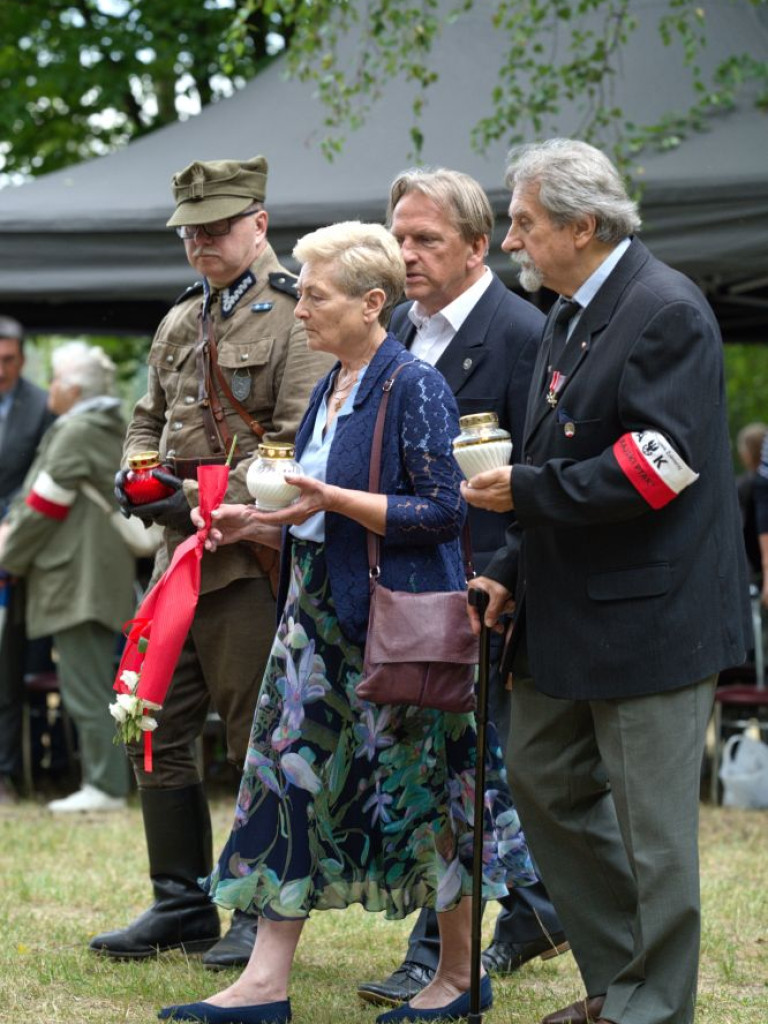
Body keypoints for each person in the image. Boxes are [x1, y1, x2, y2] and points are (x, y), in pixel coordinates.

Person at [158, 221, 537, 1024]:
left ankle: (459, 975)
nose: (299, 310)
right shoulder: (333, 385)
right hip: (314, 626)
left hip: (394, 629)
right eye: (300, 293)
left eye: (315, 296)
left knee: (428, 797)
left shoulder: (414, 384)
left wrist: (331, 499)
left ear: (371, 304)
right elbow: (324, 521)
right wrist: (260, 525)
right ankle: (264, 983)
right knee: (281, 784)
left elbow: (441, 512)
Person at [463, 139, 751, 1024]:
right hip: (566, 609)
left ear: (583, 225)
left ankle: (650, 1009)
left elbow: (660, 466)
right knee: (543, 780)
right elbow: (553, 452)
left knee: (654, 833)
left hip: (652, 618)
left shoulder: (666, 310)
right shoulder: (566, 310)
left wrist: (526, 491)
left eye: (524, 222)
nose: (512, 240)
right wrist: (508, 567)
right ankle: (624, 982)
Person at [89, 157, 333, 967]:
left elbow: (295, 442)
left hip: (248, 562)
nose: (200, 242)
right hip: (178, 559)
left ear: (259, 223)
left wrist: (194, 494)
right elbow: (146, 417)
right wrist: (138, 472)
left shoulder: (296, 312)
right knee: (150, 723)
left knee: (258, 736)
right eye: (189, 231)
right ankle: (181, 901)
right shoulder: (179, 319)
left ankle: (260, 909)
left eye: (216, 227)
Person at [356, 168, 567, 1010]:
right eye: (399, 236)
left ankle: (439, 959)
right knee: (451, 768)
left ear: (479, 246)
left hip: (484, 589)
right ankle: (535, 912)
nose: (406, 253)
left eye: (426, 239)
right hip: (409, 589)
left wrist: (504, 576)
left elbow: (538, 470)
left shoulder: (523, 333)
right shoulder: (398, 329)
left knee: (464, 773)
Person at [0, 341, 135, 812]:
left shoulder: (76, 431)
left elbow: (43, 504)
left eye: (56, 379)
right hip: (88, 574)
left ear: (74, 390)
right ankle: (107, 782)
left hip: (78, 579)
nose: (50, 388)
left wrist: (8, 554)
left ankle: (105, 787)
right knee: (92, 682)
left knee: (85, 686)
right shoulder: (100, 426)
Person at [0, 316, 57, 804]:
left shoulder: (42, 407)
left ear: (22, 359)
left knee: (9, 668)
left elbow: (43, 478)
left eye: (8, 360)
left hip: (17, 555)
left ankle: (9, 772)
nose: (0, 369)